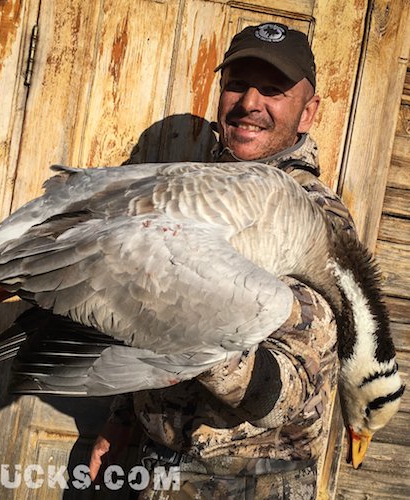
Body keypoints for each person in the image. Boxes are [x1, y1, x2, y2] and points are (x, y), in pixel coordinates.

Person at [89, 22, 356, 499]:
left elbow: (287, 391)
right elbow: (145, 316)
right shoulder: (194, 189)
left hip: (248, 482)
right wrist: (124, 418)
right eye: (237, 83)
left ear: (308, 111)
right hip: (158, 467)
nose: (250, 102)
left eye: (273, 90)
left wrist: (198, 328)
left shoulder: (314, 220)